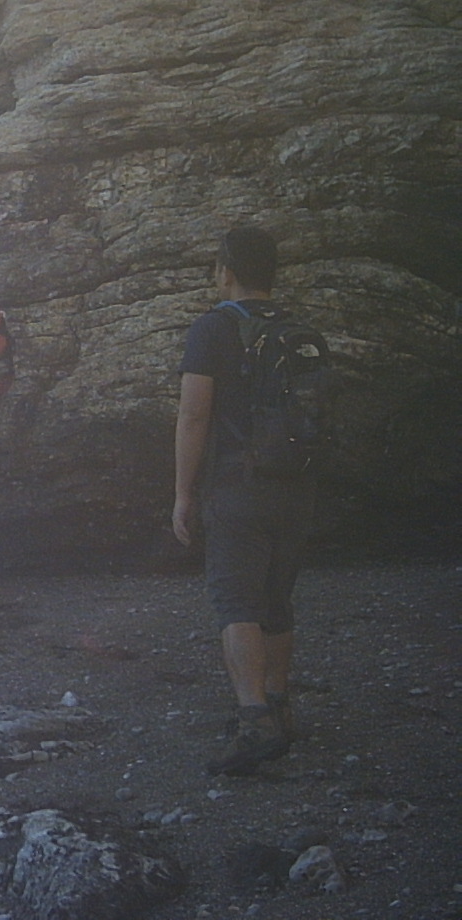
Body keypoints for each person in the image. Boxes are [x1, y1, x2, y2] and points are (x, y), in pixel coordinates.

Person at [172, 226, 314, 775]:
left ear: (226, 271)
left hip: (238, 485)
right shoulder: (298, 329)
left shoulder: (213, 328)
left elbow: (194, 415)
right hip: (296, 483)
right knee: (277, 598)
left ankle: (254, 720)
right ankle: (279, 707)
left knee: (236, 602)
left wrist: (183, 493)